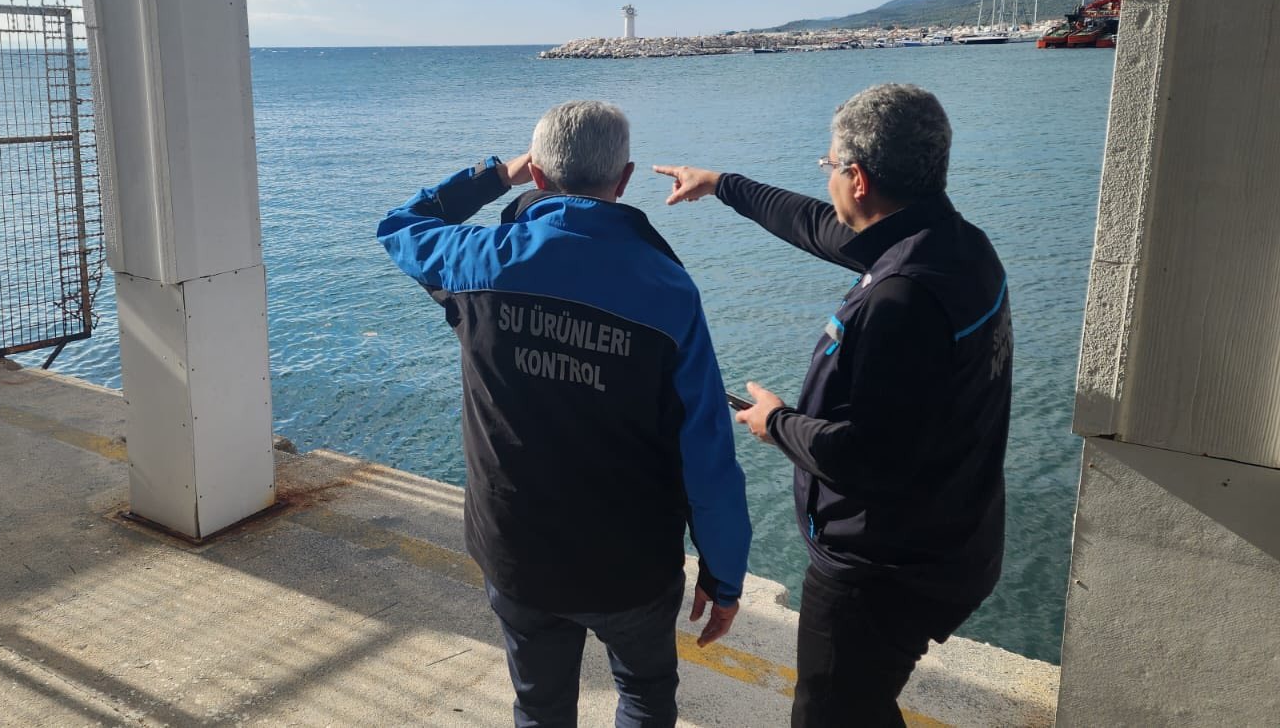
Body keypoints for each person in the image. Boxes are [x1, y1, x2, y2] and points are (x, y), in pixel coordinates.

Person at [377, 100, 752, 727]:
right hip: (630, 564)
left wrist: (496, 175)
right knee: (644, 693)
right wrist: (724, 572)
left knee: (539, 701)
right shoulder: (669, 290)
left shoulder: (476, 261)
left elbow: (401, 224)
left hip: (516, 551)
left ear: (538, 175)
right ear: (624, 179)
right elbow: (706, 451)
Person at [654, 83, 1010, 727]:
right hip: (955, 539)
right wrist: (723, 185)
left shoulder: (900, 301)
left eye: (829, 167)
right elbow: (820, 226)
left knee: (829, 715)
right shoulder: (957, 246)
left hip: (882, 572)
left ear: (859, 178)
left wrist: (776, 423)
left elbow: (871, 458)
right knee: (861, 706)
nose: (828, 181)